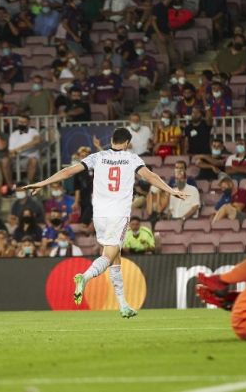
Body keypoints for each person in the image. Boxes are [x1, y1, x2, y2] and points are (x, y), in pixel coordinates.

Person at [22, 128, 190, 318]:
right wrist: (171, 190)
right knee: (109, 255)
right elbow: (151, 177)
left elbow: (69, 171)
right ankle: (84, 278)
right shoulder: (132, 159)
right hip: (118, 213)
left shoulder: (98, 156)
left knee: (115, 257)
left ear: (111, 140)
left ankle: (123, 305)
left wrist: (42, 183)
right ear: (127, 143)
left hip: (99, 215)